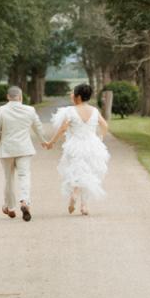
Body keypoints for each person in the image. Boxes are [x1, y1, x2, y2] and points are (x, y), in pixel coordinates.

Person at [45, 83, 110, 215]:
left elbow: (63, 129)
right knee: (88, 172)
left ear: (78, 96)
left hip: (75, 145)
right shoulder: (94, 111)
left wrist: (52, 142)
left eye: (72, 93)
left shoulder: (70, 111)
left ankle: (73, 194)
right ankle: (84, 206)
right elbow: (105, 127)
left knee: (76, 169)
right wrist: (98, 140)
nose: (71, 95)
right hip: (92, 145)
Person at [0, 85, 48, 221]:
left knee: (8, 178)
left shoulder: (0, 111)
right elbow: (38, 127)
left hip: (7, 149)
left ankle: (10, 208)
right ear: (21, 97)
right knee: (24, 175)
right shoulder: (30, 110)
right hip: (24, 148)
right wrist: (43, 140)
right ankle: (25, 201)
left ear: (8, 97)